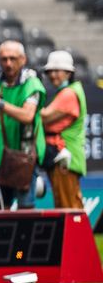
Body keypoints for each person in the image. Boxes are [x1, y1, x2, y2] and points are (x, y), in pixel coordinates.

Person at [0, 39, 45, 210]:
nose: (8, 63)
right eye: (4, 59)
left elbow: (27, 115)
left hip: (24, 156)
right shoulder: (0, 82)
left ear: (23, 59)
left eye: (13, 58)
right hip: (2, 155)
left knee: (25, 209)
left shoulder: (32, 84)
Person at [40, 50, 86, 217]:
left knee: (68, 208)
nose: (52, 75)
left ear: (68, 72)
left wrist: (29, 104)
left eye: (57, 70)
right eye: (50, 71)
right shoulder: (72, 90)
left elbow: (43, 118)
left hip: (65, 158)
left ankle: (79, 243)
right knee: (66, 205)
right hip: (64, 157)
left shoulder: (68, 93)